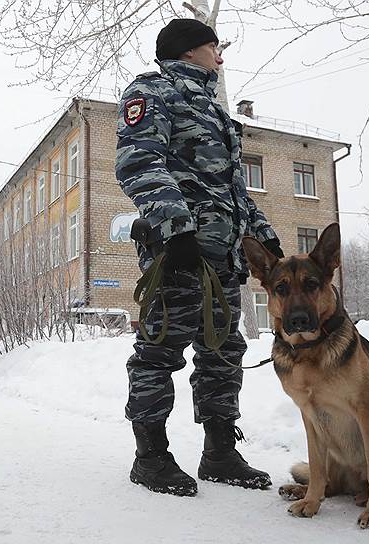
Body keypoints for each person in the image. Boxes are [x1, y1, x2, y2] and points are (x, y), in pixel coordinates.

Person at [115, 18, 285, 497]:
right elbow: (138, 163)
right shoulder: (154, 93)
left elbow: (231, 190)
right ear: (190, 50)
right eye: (215, 47)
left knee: (223, 354)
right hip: (179, 255)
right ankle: (150, 457)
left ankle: (219, 452)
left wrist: (265, 238)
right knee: (160, 351)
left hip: (224, 259)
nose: (221, 57)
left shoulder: (213, 110)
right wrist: (177, 229)